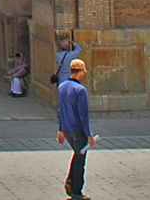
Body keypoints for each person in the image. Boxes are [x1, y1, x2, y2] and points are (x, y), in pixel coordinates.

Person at [57, 58, 97, 200]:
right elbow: (83, 115)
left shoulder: (61, 86)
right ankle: (76, 192)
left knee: (77, 154)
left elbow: (60, 110)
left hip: (67, 130)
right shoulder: (80, 90)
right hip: (78, 130)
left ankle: (70, 181)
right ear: (80, 72)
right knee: (81, 161)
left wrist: (60, 129)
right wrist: (90, 135)